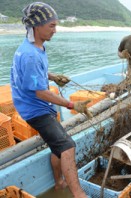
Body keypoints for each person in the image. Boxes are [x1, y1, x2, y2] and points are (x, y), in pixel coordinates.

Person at [10, 2, 91, 198]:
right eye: (51, 26)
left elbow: (35, 74)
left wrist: (53, 77)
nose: (55, 30)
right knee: (67, 146)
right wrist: (73, 105)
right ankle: (79, 194)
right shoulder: (30, 55)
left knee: (58, 145)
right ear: (37, 26)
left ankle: (58, 183)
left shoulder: (35, 47)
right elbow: (41, 93)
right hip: (35, 109)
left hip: (36, 104)